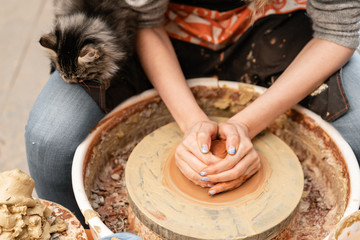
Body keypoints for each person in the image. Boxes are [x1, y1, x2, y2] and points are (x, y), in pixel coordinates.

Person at [25, 0, 360, 226]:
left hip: (276, 31)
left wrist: (245, 123)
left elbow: (338, 30)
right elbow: (143, 20)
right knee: (51, 140)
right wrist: (193, 123)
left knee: (356, 135)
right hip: (160, 38)